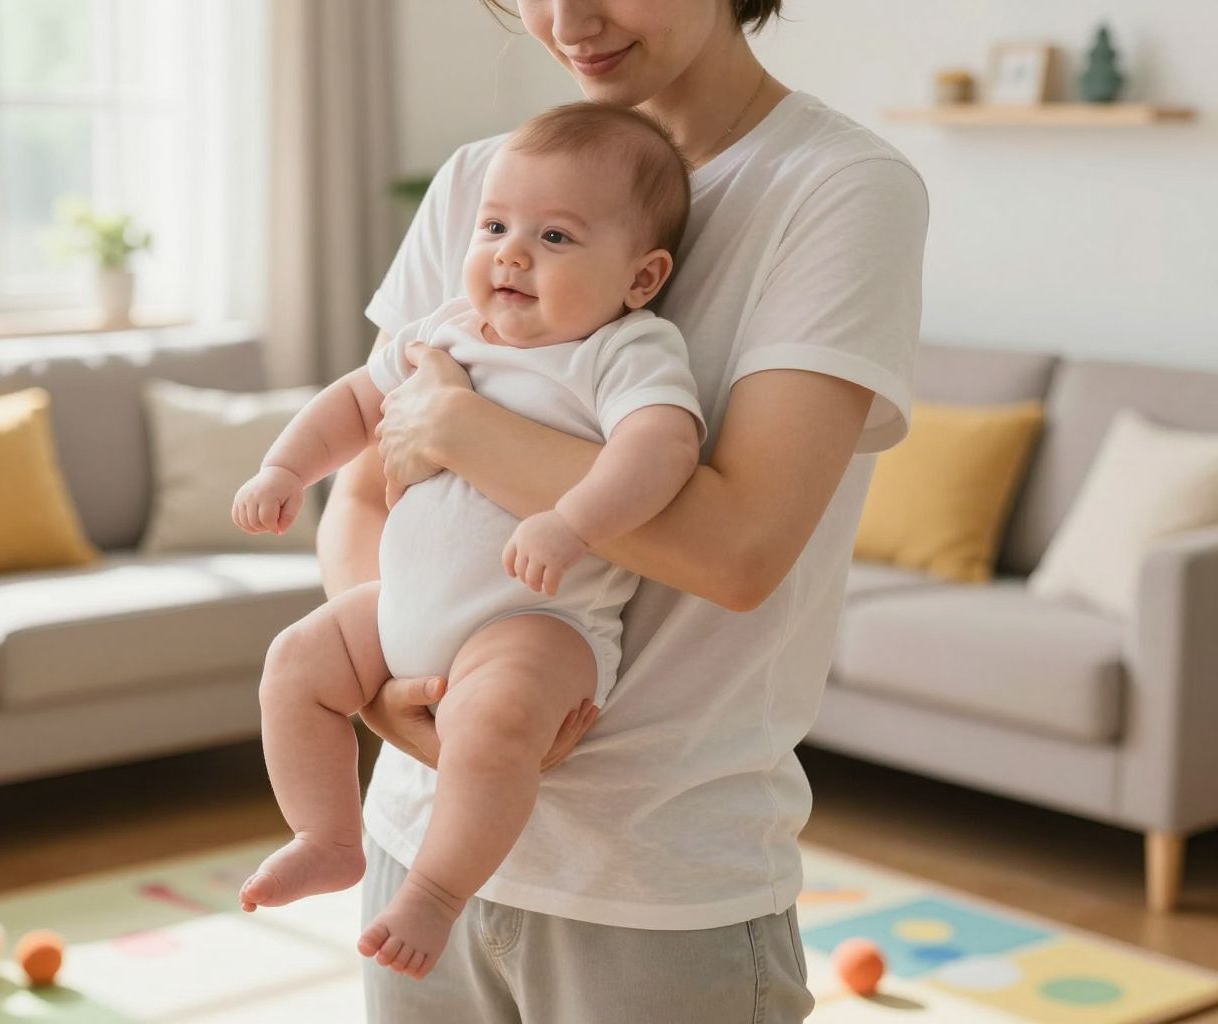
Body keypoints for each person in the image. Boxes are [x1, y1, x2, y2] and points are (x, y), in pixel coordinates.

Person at [322, 0, 930, 1019]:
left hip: (655, 890)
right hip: (415, 842)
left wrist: (458, 427)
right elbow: (361, 487)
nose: (565, 19)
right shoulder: (482, 181)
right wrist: (385, 682)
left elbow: (738, 550)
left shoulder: (836, 189)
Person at [231, 102, 707, 981]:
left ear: (641, 278)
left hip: (535, 622)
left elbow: (662, 448)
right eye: (495, 227)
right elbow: (356, 401)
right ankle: (327, 837)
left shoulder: (623, 351)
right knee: (296, 662)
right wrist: (285, 468)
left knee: (493, 725)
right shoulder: (446, 329)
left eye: (555, 237)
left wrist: (573, 520)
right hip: (401, 608)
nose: (511, 254)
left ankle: (437, 892)